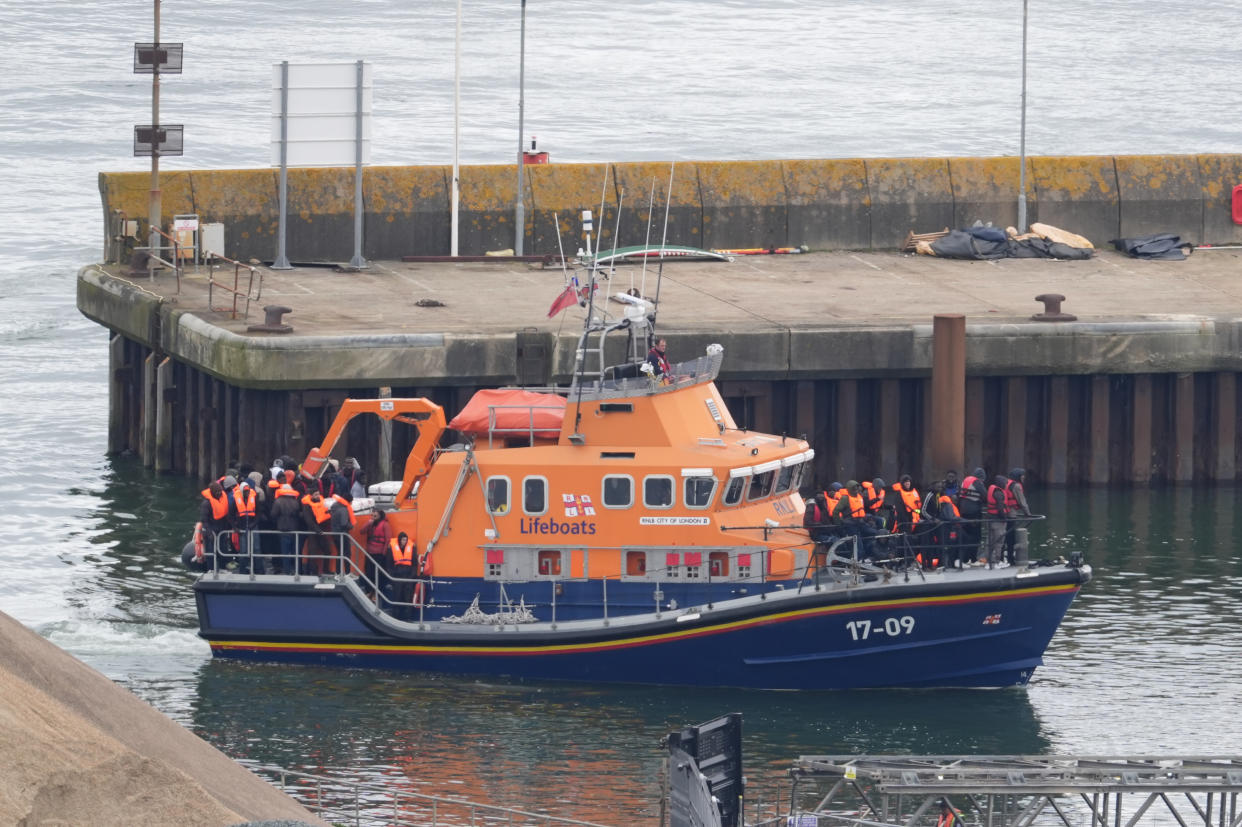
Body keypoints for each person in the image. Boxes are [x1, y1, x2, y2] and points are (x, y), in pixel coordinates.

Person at [832, 480, 877, 559]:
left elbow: (863, 510)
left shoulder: (859, 497)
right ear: (850, 489)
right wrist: (839, 524)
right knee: (858, 545)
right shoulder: (845, 499)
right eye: (854, 488)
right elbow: (835, 512)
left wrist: (868, 520)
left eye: (857, 487)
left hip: (860, 522)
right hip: (850, 525)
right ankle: (858, 562)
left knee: (874, 533)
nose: (856, 490)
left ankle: (871, 556)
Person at [1004, 467, 1035, 564]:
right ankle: (1010, 559)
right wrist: (1028, 513)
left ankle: (1001, 558)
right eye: (1022, 475)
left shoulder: (1007, 483)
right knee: (1011, 538)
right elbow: (1022, 502)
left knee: (1004, 537)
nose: (1024, 477)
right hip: (1011, 515)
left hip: (1004, 513)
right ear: (1018, 476)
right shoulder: (1016, 486)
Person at [270, 481, 302, 574]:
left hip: (283, 528)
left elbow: (273, 514)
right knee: (295, 551)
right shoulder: (295, 501)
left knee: (285, 552)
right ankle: (297, 570)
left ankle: (287, 571)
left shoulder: (278, 501)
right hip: (294, 528)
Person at [956, 466, 986, 563]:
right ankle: (973, 559)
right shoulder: (977, 482)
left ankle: (964, 559)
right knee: (976, 537)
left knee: (965, 536)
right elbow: (985, 495)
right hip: (974, 513)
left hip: (963, 513)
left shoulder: (965, 480)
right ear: (981, 477)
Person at [300, 490, 334, 575]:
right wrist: (318, 530)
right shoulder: (307, 506)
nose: (318, 496)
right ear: (311, 496)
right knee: (312, 552)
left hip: (321, 530)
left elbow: (325, 515)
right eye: (315, 494)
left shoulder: (322, 503)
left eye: (319, 494)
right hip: (313, 532)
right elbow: (309, 521)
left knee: (327, 550)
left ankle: (326, 570)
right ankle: (313, 572)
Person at [363, 507, 392, 597]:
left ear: (380, 514)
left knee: (378, 574)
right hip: (369, 552)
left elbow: (388, 539)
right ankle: (369, 591)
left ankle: (376, 593)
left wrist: (383, 553)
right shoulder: (370, 523)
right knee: (368, 572)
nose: (373, 515)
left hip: (379, 553)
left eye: (375, 513)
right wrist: (368, 523)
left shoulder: (385, 524)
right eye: (372, 514)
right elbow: (362, 531)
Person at [388, 531, 417, 619]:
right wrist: (392, 576)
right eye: (403, 540)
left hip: (408, 575)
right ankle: (395, 617)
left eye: (406, 540)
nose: (404, 541)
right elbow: (388, 563)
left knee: (408, 597)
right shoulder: (391, 547)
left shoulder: (412, 547)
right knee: (397, 596)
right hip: (397, 575)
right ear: (399, 540)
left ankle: (408, 617)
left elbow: (414, 563)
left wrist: (412, 575)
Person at [985, 474, 1010, 566]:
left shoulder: (992, 490)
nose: (1006, 485)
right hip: (998, 521)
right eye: (1005, 483)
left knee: (990, 541)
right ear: (1000, 483)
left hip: (990, 519)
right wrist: (1004, 518)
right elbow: (1000, 508)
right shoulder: (999, 493)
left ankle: (988, 560)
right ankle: (997, 561)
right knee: (999, 542)